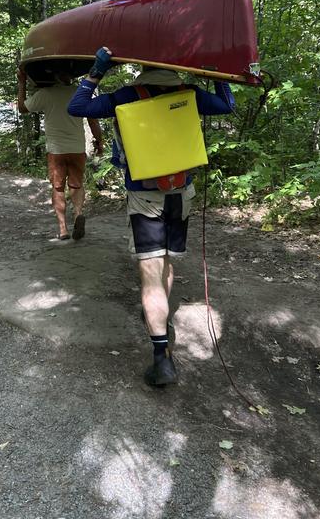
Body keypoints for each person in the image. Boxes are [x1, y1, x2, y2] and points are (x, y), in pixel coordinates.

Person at [68, 47, 235, 386]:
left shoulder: (127, 95)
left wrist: (97, 72)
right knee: (167, 263)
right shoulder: (188, 93)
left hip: (144, 195)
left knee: (149, 274)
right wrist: (215, 74)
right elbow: (227, 105)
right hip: (181, 193)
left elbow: (77, 107)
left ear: (141, 63)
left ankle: (162, 360)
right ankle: (162, 321)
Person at [17, 65, 103, 241]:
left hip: (56, 151)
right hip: (77, 148)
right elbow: (93, 120)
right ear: (71, 77)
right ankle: (78, 213)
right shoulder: (81, 93)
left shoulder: (46, 94)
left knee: (58, 188)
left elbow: (22, 108)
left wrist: (22, 82)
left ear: (54, 77)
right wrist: (99, 141)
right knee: (76, 185)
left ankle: (63, 229)